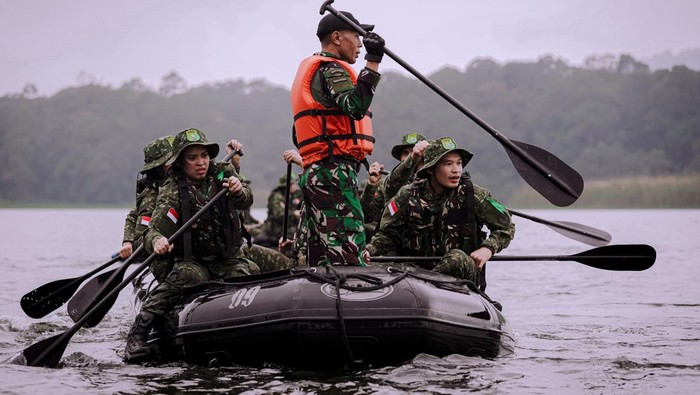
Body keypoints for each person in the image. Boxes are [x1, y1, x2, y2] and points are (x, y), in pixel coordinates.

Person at [124, 128, 259, 363]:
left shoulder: (222, 174)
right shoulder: (173, 189)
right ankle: (138, 334)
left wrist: (239, 189)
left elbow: (246, 199)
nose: (201, 163)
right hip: (193, 261)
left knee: (245, 275)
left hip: (226, 260)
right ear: (181, 162)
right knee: (187, 275)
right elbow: (152, 230)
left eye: (204, 156)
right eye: (192, 158)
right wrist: (158, 240)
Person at [290, 10, 386, 266]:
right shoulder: (332, 69)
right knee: (349, 254)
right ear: (336, 37)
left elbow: (297, 134)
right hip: (332, 174)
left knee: (323, 256)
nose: (360, 44)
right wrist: (373, 60)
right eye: (356, 36)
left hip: (318, 172)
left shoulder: (317, 72)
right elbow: (354, 106)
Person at [364, 137, 515, 287]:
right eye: (448, 164)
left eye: (459, 163)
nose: (456, 170)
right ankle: (421, 287)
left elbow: (506, 226)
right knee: (372, 265)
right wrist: (367, 252)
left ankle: (424, 286)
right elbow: (387, 236)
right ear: (430, 168)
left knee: (456, 258)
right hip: (416, 269)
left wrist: (487, 249)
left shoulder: (473, 195)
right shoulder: (408, 194)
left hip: (459, 271)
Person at [120, 136, 175, 283]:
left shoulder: (181, 187)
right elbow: (133, 215)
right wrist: (127, 242)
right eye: (168, 162)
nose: (173, 164)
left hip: (169, 247)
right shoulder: (148, 191)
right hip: (145, 247)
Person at [361, 133, 428, 235]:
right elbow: (366, 216)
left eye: (414, 152)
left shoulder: (434, 182)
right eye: (406, 153)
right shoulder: (387, 184)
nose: (410, 157)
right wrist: (372, 184)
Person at [254, 172, 302, 248]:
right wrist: (294, 214)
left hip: (286, 226)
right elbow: (279, 215)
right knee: (297, 233)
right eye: (293, 184)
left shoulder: (292, 195)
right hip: (275, 228)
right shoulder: (277, 197)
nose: (295, 186)